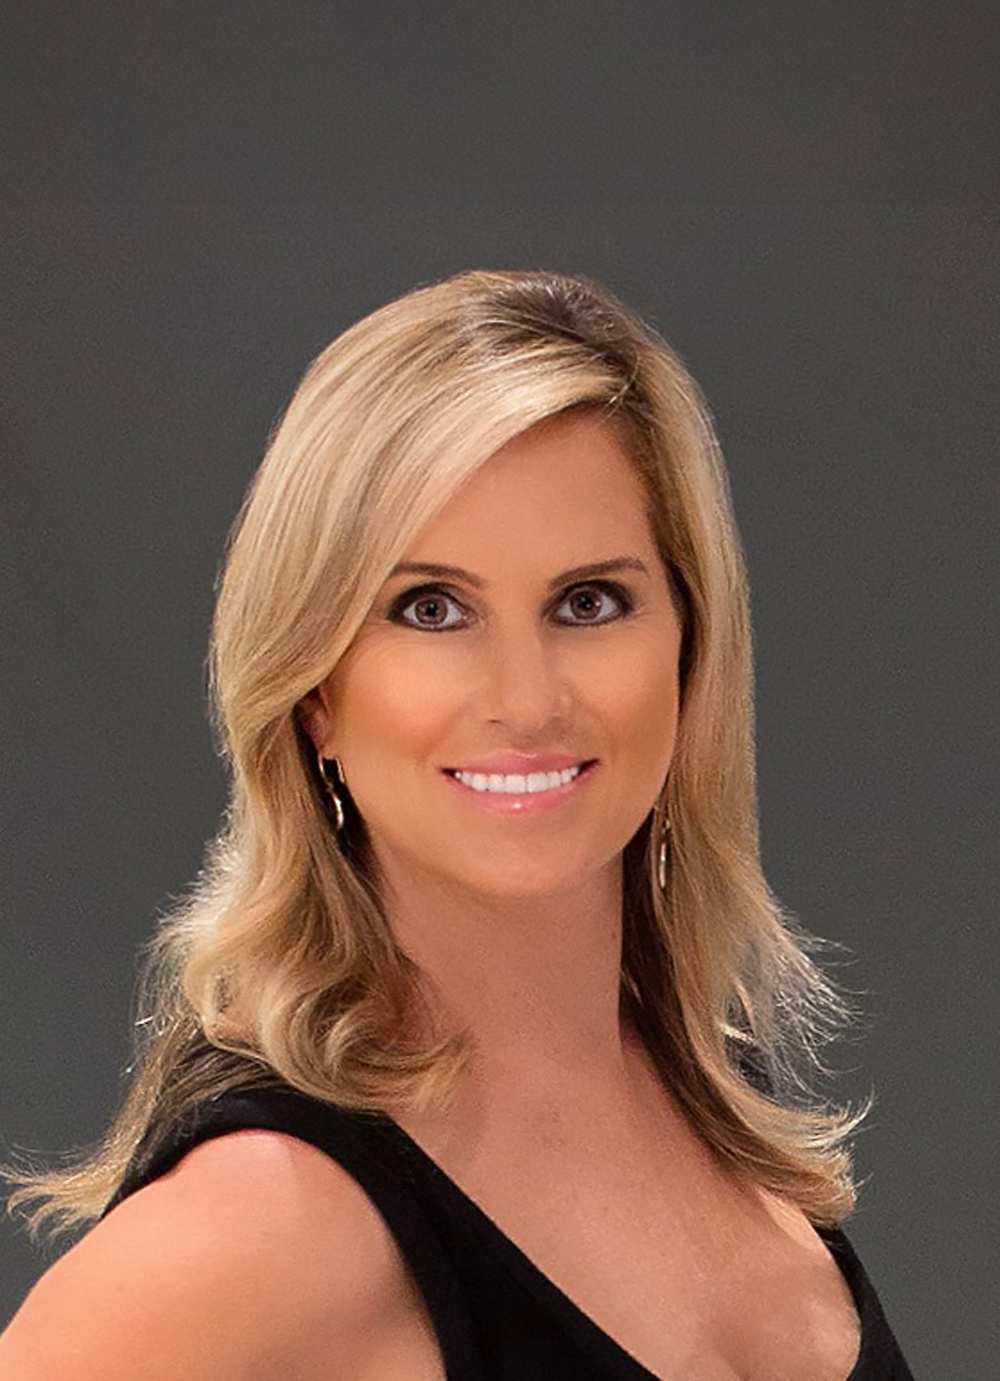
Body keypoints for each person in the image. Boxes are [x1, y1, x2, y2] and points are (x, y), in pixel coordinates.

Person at [1, 270, 912, 1379]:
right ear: (314, 691)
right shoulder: (254, 1228)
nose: (526, 701)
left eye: (588, 603)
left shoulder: (708, 1102)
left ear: (689, 649)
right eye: (429, 609)